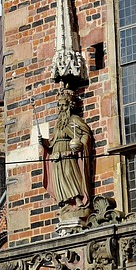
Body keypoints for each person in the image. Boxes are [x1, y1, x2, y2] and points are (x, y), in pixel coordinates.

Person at [40, 88, 94, 219]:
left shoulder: (74, 120)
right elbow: (54, 141)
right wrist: (44, 143)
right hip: (57, 155)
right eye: (59, 105)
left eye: (64, 105)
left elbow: (85, 134)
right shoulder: (58, 124)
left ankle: (78, 200)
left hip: (68, 154)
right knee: (60, 179)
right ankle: (66, 203)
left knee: (71, 175)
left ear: (70, 105)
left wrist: (80, 143)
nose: (61, 108)